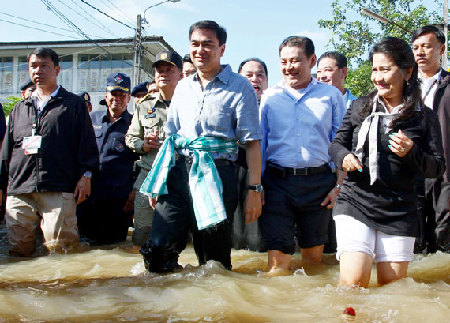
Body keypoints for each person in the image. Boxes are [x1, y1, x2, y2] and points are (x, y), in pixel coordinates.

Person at [139, 20, 262, 273]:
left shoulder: (240, 87)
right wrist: (158, 181)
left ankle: (215, 310)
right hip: (178, 173)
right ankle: (166, 307)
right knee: (158, 249)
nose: (200, 50)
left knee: (213, 259)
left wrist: (254, 189)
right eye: (195, 44)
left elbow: (251, 143)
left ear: (222, 49)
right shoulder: (183, 87)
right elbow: (171, 137)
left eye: (208, 44)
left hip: (217, 174)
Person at [329, 37, 445, 287]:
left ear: (407, 72)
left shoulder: (424, 117)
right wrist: (343, 157)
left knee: (391, 290)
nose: (377, 77)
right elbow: (336, 144)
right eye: (374, 69)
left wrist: (411, 151)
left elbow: (437, 167)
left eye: (385, 69)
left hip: (400, 208)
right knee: (352, 284)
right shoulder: (360, 107)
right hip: (355, 201)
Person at [260, 36, 346, 276]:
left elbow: (340, 143)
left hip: (318, 185)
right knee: (277, 263)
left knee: (313, 262)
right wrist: (257, 186)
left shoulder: (331, 96)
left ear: (312, 60)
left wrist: (339, 185)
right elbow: (261, 144)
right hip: (277, 183)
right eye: (284, 61)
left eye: (296, 60)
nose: (289, 67)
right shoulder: (270, 97)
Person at [0, 47, 98, 256]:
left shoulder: (73, 105)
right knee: (19, 250)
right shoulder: (20, 108)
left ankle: (63, 289)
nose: (38, 71)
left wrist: (86, 176)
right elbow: (7, 152)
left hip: (57, 186)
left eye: (44, 66)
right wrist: (2, 186)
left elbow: (87, 146)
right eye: (33, 66)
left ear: (57, 69)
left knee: (62, 248)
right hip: (19, 189)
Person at [125, 50, 183, 246]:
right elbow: (131, 137)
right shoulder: (144, 106)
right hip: (149, 175)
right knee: (142, 232)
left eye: (169, 70)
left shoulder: (190, 104)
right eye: (159, 71)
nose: (163, 74)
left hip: (180, 174)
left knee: (180, 233)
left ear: (181, 75)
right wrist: (143, 144)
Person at [77, 73, 137, 245]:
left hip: (119, 200)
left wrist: (134, 192)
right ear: (106, 95)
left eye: (122, 95)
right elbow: (81, 152)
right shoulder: (92, 119)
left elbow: (140, 161)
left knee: (114, 246)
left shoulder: (134, 124)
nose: (117, 99)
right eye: (113, 94)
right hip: (90, 196)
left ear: (128, 98)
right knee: (85, 246)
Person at [412, 25, 449, 254]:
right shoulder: (404, 87)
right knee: (414, 233)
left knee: (444, 229)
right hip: (412, 169)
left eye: (426, 46)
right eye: (416, 47)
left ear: (442, 48)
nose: (420, 52)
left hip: (445, 171)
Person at [317, 51, 358, 254]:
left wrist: (341, 184)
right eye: (318, 71)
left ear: (343, 72)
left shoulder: (361, 106)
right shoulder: (312, 107)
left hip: (353, 184)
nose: (322, 75)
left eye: (328, 70)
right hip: (321, 181)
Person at [232, 58, 268, 251]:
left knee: (258, 239)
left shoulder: (274, 107)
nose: (255, 79)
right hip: (234, 171)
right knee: (235, 235)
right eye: (248, 75)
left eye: (260, 74)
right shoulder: (229, 104)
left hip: (264, 175)